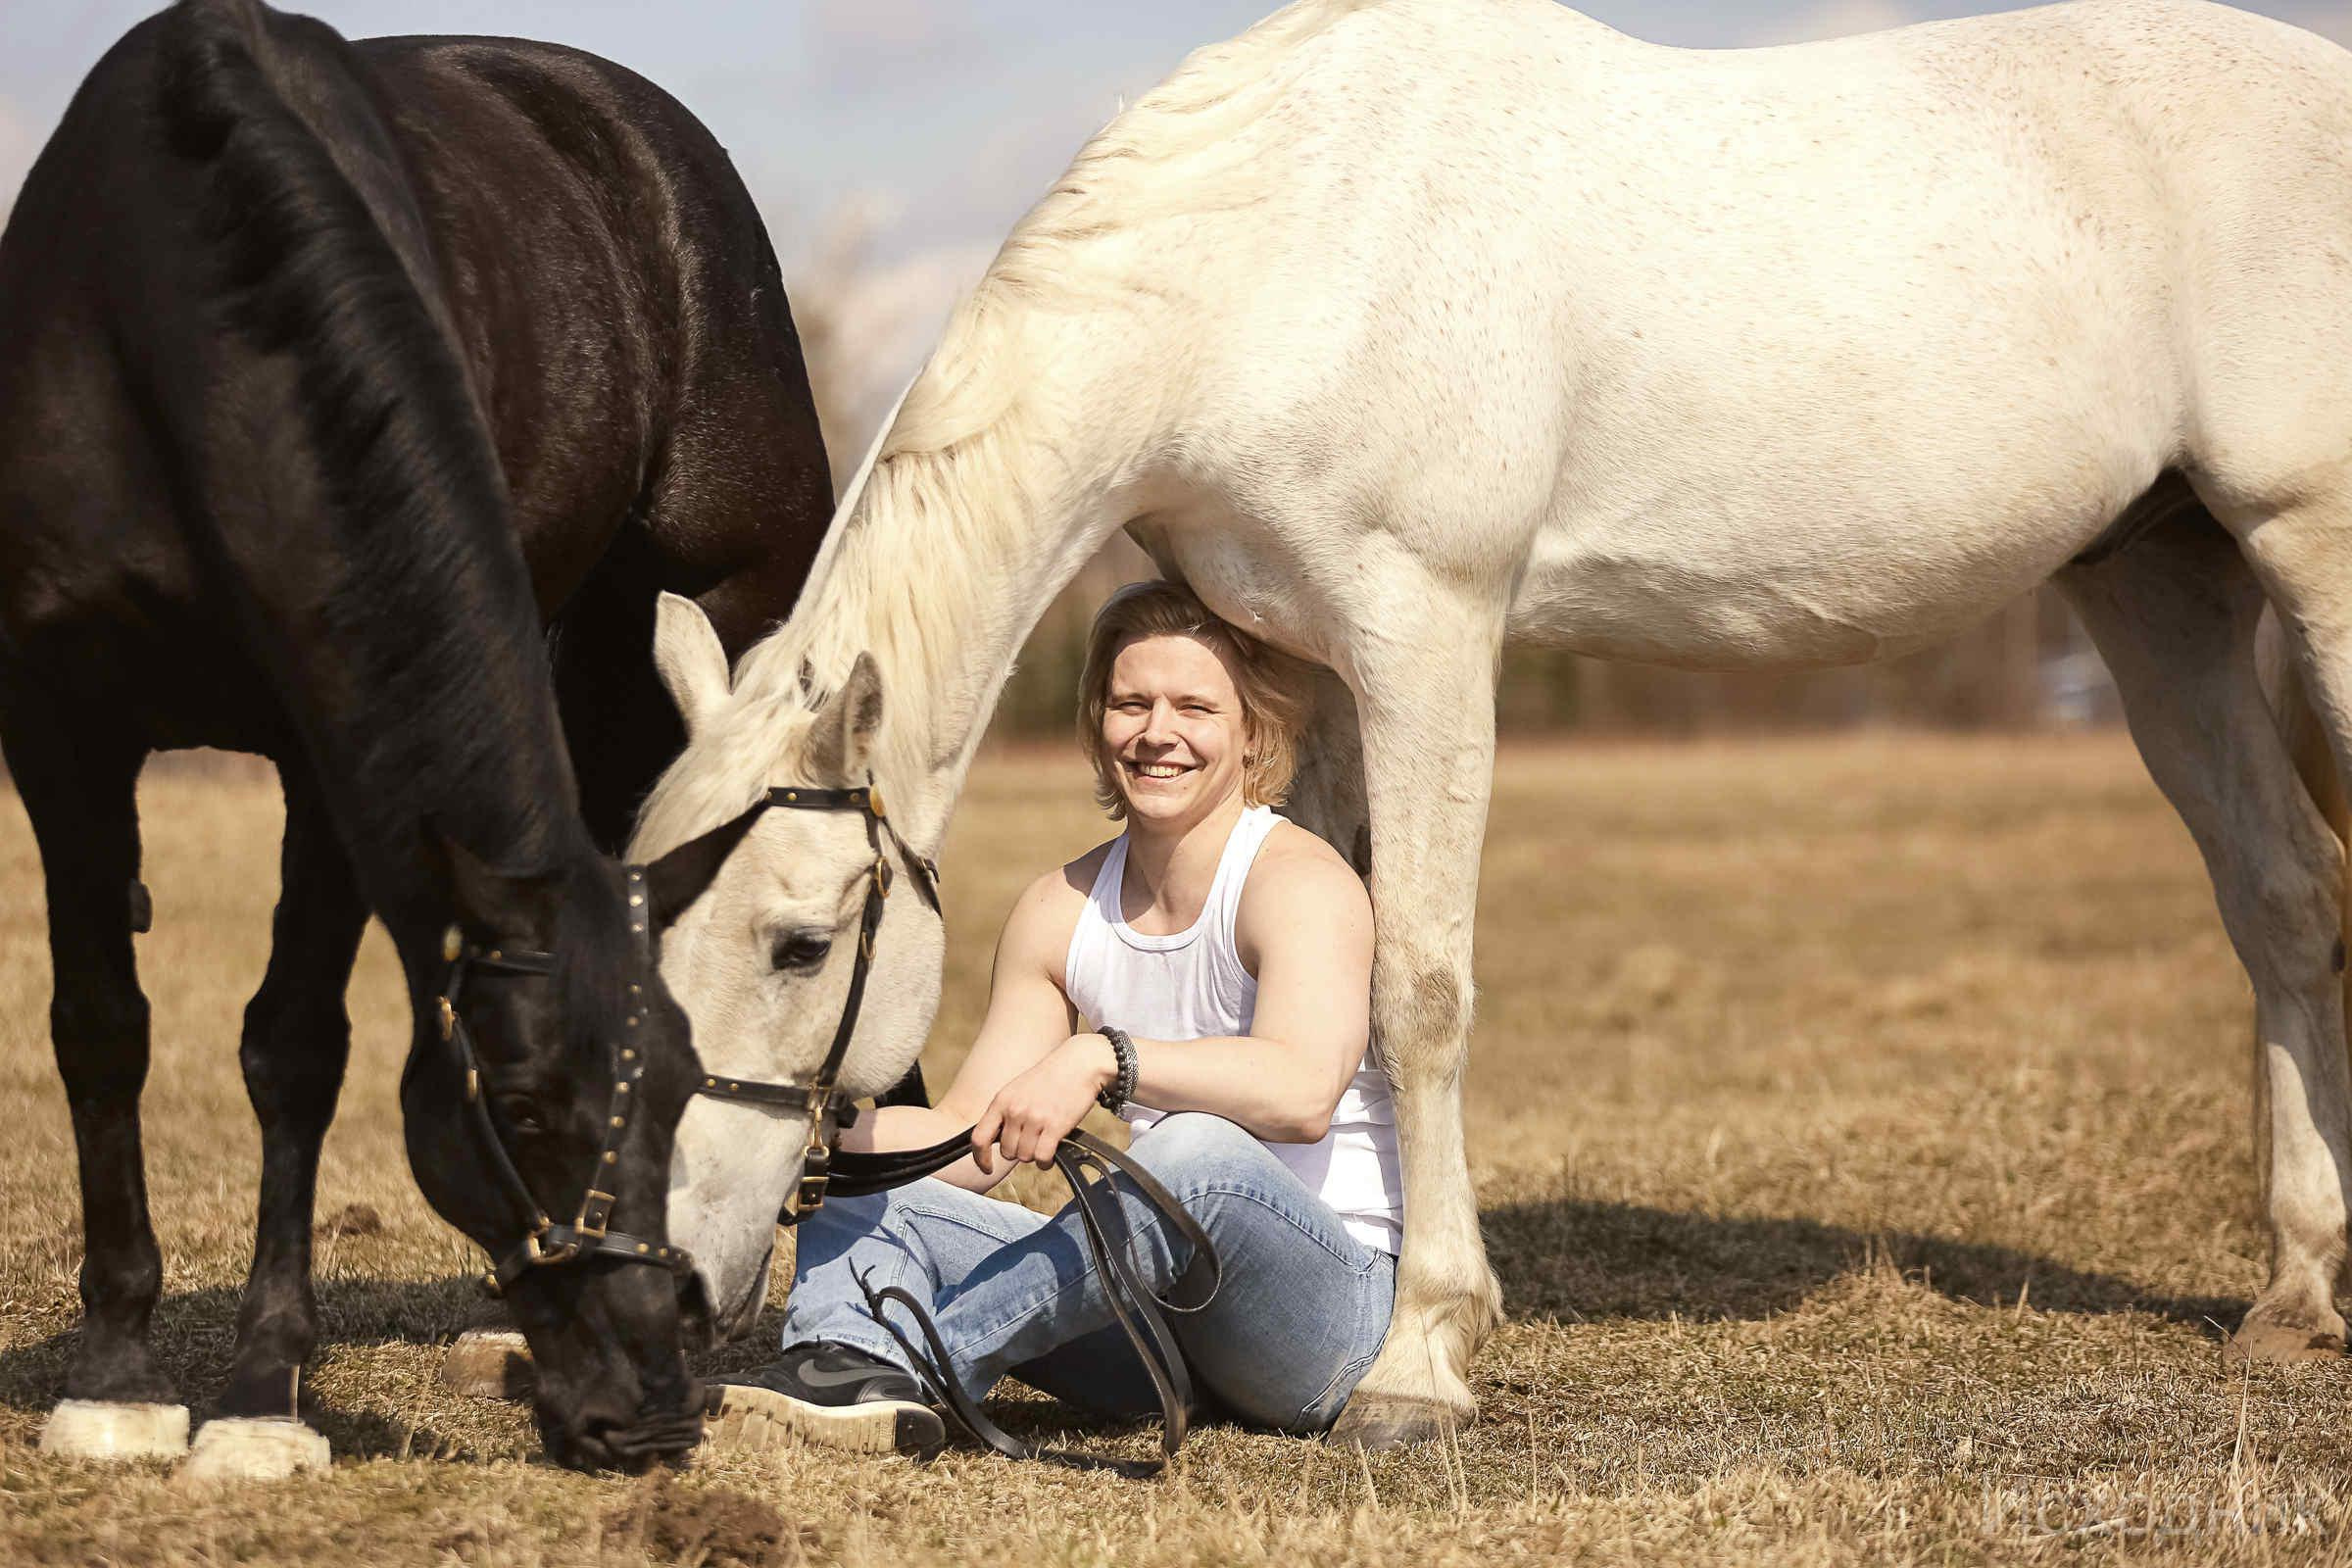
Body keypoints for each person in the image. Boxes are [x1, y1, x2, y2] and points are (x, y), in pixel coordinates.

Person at [704, 579, 1401, 1456]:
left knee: (1192, 1151)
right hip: (1155, 1330)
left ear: (1253, 732)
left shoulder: (1298, 881)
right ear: (1097, 723)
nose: (1157, 732)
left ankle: (935, 1357)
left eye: (1195, 707)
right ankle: (846, 1378)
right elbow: (965, 1136)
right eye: (1130, 703)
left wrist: (1101, 1060)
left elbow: (1301, 1091)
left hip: (1318, 1327)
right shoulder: (1060, 906)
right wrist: (794, 1141)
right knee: (865, 1187)